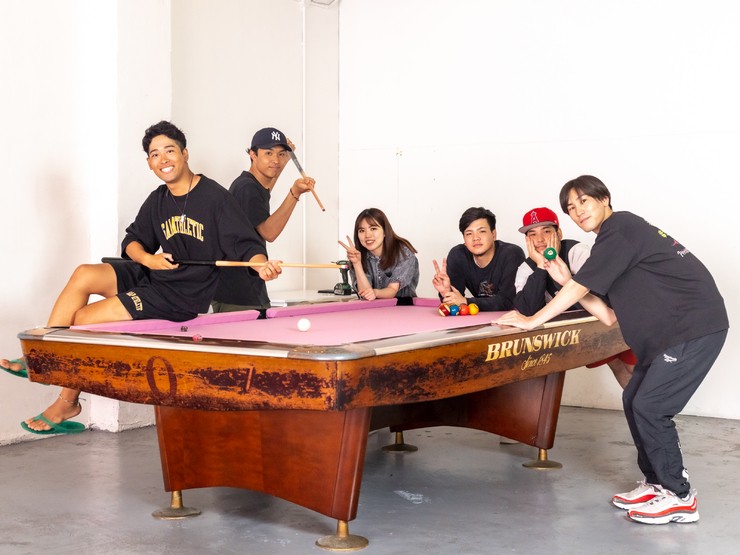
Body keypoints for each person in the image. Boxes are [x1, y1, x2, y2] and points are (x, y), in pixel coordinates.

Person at [1, 120, 283, 434]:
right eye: (154, 154)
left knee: (83, 319)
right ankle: (41, 356)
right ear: (149, 163)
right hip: (154, 273)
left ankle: (66, 400)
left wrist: (261, 265)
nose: (163, 159)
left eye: (169, 151)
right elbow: (132, 241)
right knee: (84, 273)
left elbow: (245, 245)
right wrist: (148, 258)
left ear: (185, 154)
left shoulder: (215, 197)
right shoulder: (158, 199)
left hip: (181, 294)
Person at [497, 175, 728, 524]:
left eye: (584, 201)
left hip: (692, 327)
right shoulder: (611, 246)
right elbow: (607, 316)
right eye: (571, 208)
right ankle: (656, 483)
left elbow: (580, 289)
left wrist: (533, 321)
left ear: (604, 199)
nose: (578, 211)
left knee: (651, 406)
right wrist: (564, 280)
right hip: (666, 335)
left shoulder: (621, 227)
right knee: (634, 398)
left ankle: (680, 496)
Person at [513, 206, 635, 388]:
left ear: (559, 233)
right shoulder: (525, 269)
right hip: (582, 331)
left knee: (634, 366)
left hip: (616, 317)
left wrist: (561, 273)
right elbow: (528, 310)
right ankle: (638, 407)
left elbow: (602, 291)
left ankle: (651, 407)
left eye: (546, 231)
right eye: (532, 234)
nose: (540, 239)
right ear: (527, 240)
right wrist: (540, 267)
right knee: (615, 364)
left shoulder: (576, 251)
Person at [211, 127, 316, 315]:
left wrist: (283, 163)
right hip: (237, 294)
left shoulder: (252, 185)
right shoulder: (246, 188)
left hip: (243, 290)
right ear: (253, 155)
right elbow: (269, 232)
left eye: (281, 154)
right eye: (268, 153)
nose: (276, 160)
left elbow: (265, 189)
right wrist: (294, 193)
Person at [432, 207, 524, 311]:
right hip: (479, 318)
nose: (475, 238)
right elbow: (455, 302)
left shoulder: (512, 254)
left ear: (493, 234)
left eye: (482, 231)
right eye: (469, 233)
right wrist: (447, 292)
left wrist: (466, 302)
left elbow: (507, 301)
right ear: (464, 239)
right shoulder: (458, 255)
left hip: (513, 316)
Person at [338, 208, 419, 304]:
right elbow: (365, 294)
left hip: (403, 307)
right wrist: (357, 263)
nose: (367, 235)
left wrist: (375, 293)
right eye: (362, 230)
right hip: (372, 308)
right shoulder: (357, 255)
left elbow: (392, 290)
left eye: (373, 228)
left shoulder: (403, 252)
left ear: (385, 231)